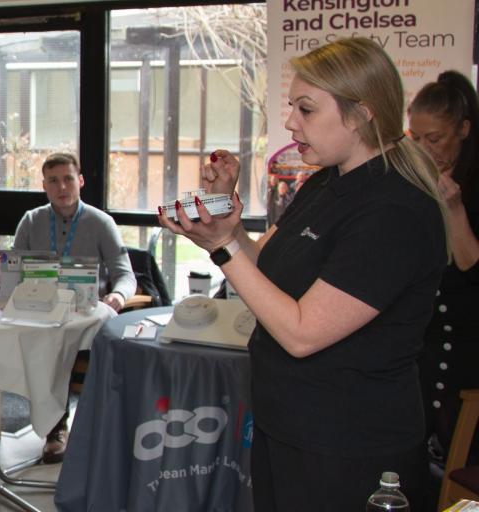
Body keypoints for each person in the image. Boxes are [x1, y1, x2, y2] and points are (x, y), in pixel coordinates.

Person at [159, 37, 448, 511]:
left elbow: (302, 333)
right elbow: (263, 268)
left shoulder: (396, 211)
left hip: (350, 446)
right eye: (292, 107)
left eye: (307, 110)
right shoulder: (324, 183)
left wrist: (225, 247)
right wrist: (226, 226)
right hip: (288, 425)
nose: (291, 121)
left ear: (362, 114)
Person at [13, 151, 137, 463]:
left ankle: (93, 427)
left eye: (68, 178)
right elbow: (12, 270)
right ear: (45, 186)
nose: (62, 187)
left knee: (66, 346)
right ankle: (56, 429)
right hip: (42, 314)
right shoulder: (31, 221)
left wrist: (117, 298)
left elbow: (125, 275)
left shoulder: (100, 222)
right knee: (48, 346)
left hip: (87, 316)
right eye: (53, 181)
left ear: (80, 181)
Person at [408, 70, 479, 472]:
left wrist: (454, 210)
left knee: (461, 473)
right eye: (415, 138)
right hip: (422, 351)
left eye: (434, 139)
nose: (425, 149)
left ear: (464, 130)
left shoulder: (468, 188)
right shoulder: (416, 182)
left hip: (468, 358)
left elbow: (471, 265)